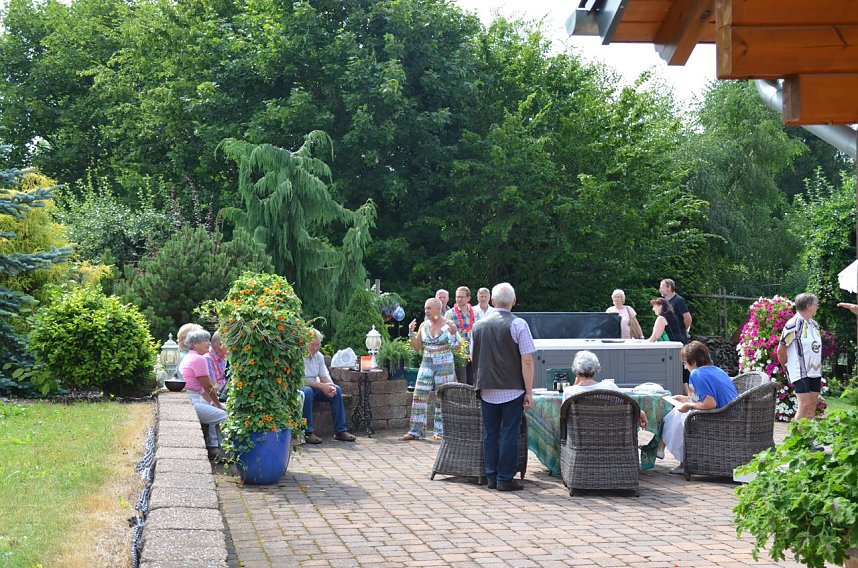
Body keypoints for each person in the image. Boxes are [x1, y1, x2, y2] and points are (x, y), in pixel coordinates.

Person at [472, 282, 535, 491]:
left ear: (492, 301)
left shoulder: (478, 325)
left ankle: (491, 476)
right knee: (509, 433)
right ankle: (505, 478)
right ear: (514, 302)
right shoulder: (518, 324)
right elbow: (527, 360)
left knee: (490, 433)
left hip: (486, 387)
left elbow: (475, 356)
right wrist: (528, 391)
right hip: (512, 388)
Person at [658, 341, 739, 475]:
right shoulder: (717, 370)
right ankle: (668, 451)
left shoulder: (697, 374)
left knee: (678, 416)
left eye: (685, 363)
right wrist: (686, 399)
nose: (685, 367)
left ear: (694, 362)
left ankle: (679, 458)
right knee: (678, 413)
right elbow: (709, 398)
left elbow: (710, 404)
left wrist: (689, 404)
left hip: (723, 418)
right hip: (734, 414)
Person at [402, 298, 460, 441]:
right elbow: (417, 347)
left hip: (445, 362)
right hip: (427, 361)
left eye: (429, 308)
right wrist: (410, 332)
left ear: (438, 309)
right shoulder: (424, 325)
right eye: (425, 308)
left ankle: (441, 432)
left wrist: (453, 334)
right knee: (419, 393)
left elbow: (457, 347)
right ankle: (416, 431)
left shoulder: (449, 325)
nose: (426, 311)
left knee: (443, 396)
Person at [178, 329, 227, 461]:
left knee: (217, 412)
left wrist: (213, 403)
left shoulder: (190, 356)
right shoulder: (199, 359)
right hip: (192, 401)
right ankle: (229, 452)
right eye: (204, 341)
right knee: (226, 417)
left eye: (208, 339)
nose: (208, 343)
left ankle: (217, 449)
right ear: (194, 344)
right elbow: (208, 386)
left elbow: (204, 390)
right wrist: (217, 404)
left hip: (192, 398)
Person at [562, 351, 648, 427]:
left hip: (578, 443)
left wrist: (575, 385)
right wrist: (640, 412)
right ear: (596, 369)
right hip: (612, 442)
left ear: (575, 370)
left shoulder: (569, 392)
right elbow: (628, 405)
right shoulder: (609, 386)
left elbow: (564, 418)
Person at [301, 330, 357, 444]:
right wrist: (322, 386)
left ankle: (340, 431)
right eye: (313, 345)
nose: (316, 348)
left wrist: (330, 387)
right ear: (305, 343)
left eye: (318, 345)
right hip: (301, 387)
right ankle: (307, 433)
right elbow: (300, 380)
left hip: (315, 387)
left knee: (337, 390)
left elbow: (323, 376)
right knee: (307, 392)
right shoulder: (298, 356)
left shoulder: (319, 356)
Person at [777, 293, 823, 421]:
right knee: (804, 405)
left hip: (814, 370)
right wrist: (786, 366)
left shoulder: (814, 325)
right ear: (808, 306)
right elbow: (781, 349)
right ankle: (795, 436)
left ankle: (808, 437)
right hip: (800, 370)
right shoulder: (794, 323)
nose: (817, 306)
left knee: (812, 405)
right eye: (816, 304)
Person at [446, 285, 476, 384]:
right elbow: (447, 333)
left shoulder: (475, 313)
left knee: (472, 381)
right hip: (458, 351)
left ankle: (472, 399)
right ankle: (462, 400)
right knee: (462, 381)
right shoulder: (450, 314)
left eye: (462, 297)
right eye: (457, 296)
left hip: (473, 351)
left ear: (468, 298)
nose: (459, 299)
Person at [205, 331, 228, 400]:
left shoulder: (223, 356)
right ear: (220, 344)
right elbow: (213, 387)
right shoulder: (207, 358)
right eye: (230, 345)